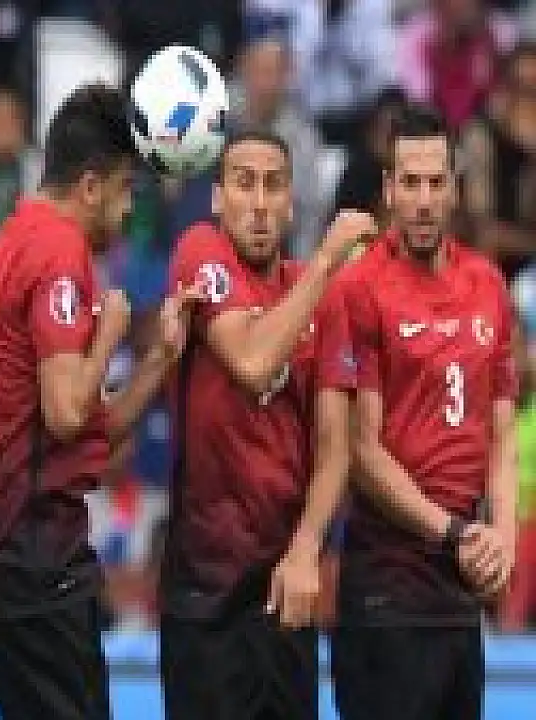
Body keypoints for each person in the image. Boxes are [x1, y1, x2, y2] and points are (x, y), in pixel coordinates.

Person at [0, 82, 193, 719]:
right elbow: (65, 412)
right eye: (125, 190)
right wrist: (110, 332)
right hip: (30, 551)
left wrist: (158, 361)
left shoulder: (13, 236)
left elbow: (85, 431)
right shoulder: (59, 252)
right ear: (90, 186)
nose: (128, 210)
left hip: (2, 547)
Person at [159, 130, 375, 720]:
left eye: (273, 186)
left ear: (290, 202)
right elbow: (253, 364)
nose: (258, 202)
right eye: (243, 183)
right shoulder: (201, 252)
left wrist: (307, 550)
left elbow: (335, 447)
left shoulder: (319, 299)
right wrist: (328, 262)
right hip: (206, 589)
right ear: (217, 198)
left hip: (284, 588)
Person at [332, 107, 519, 720]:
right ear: (389, 189)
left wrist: (502, 540)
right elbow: (361, 452)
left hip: (460, 592)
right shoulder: (361, 287)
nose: (422, 200)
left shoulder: (489, 284)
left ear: (455, 189)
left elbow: (500, 435)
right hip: (387, 590)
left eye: (436, 183)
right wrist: (456, 534)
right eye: (409, 183)